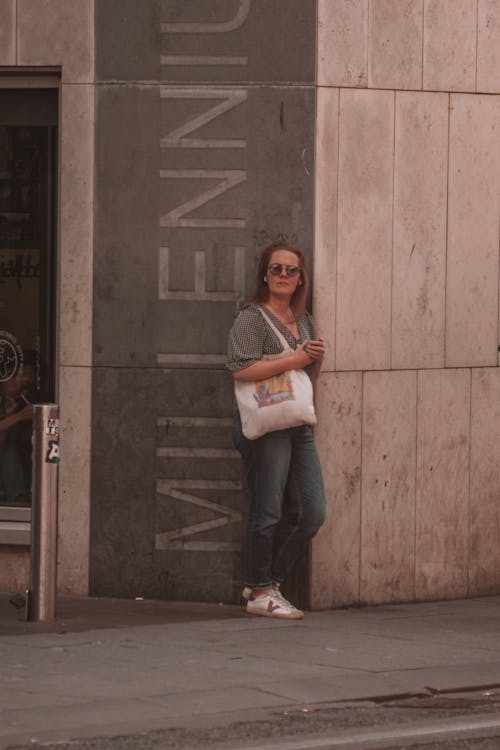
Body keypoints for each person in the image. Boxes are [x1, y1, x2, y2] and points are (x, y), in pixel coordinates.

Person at [227, 242, 326, 619]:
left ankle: (267, 584)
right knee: (267, 511)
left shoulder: (305, 320)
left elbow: (308, 374)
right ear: (264, 275)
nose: (283, 276)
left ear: (301, 279)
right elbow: (239, 368)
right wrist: (296, 358)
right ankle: (261, 591)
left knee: (312, 512)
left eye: (291, 271)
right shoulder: (252, 318)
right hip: (266, 425)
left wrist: (313, 360)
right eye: (276, 269)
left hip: (297, 422)